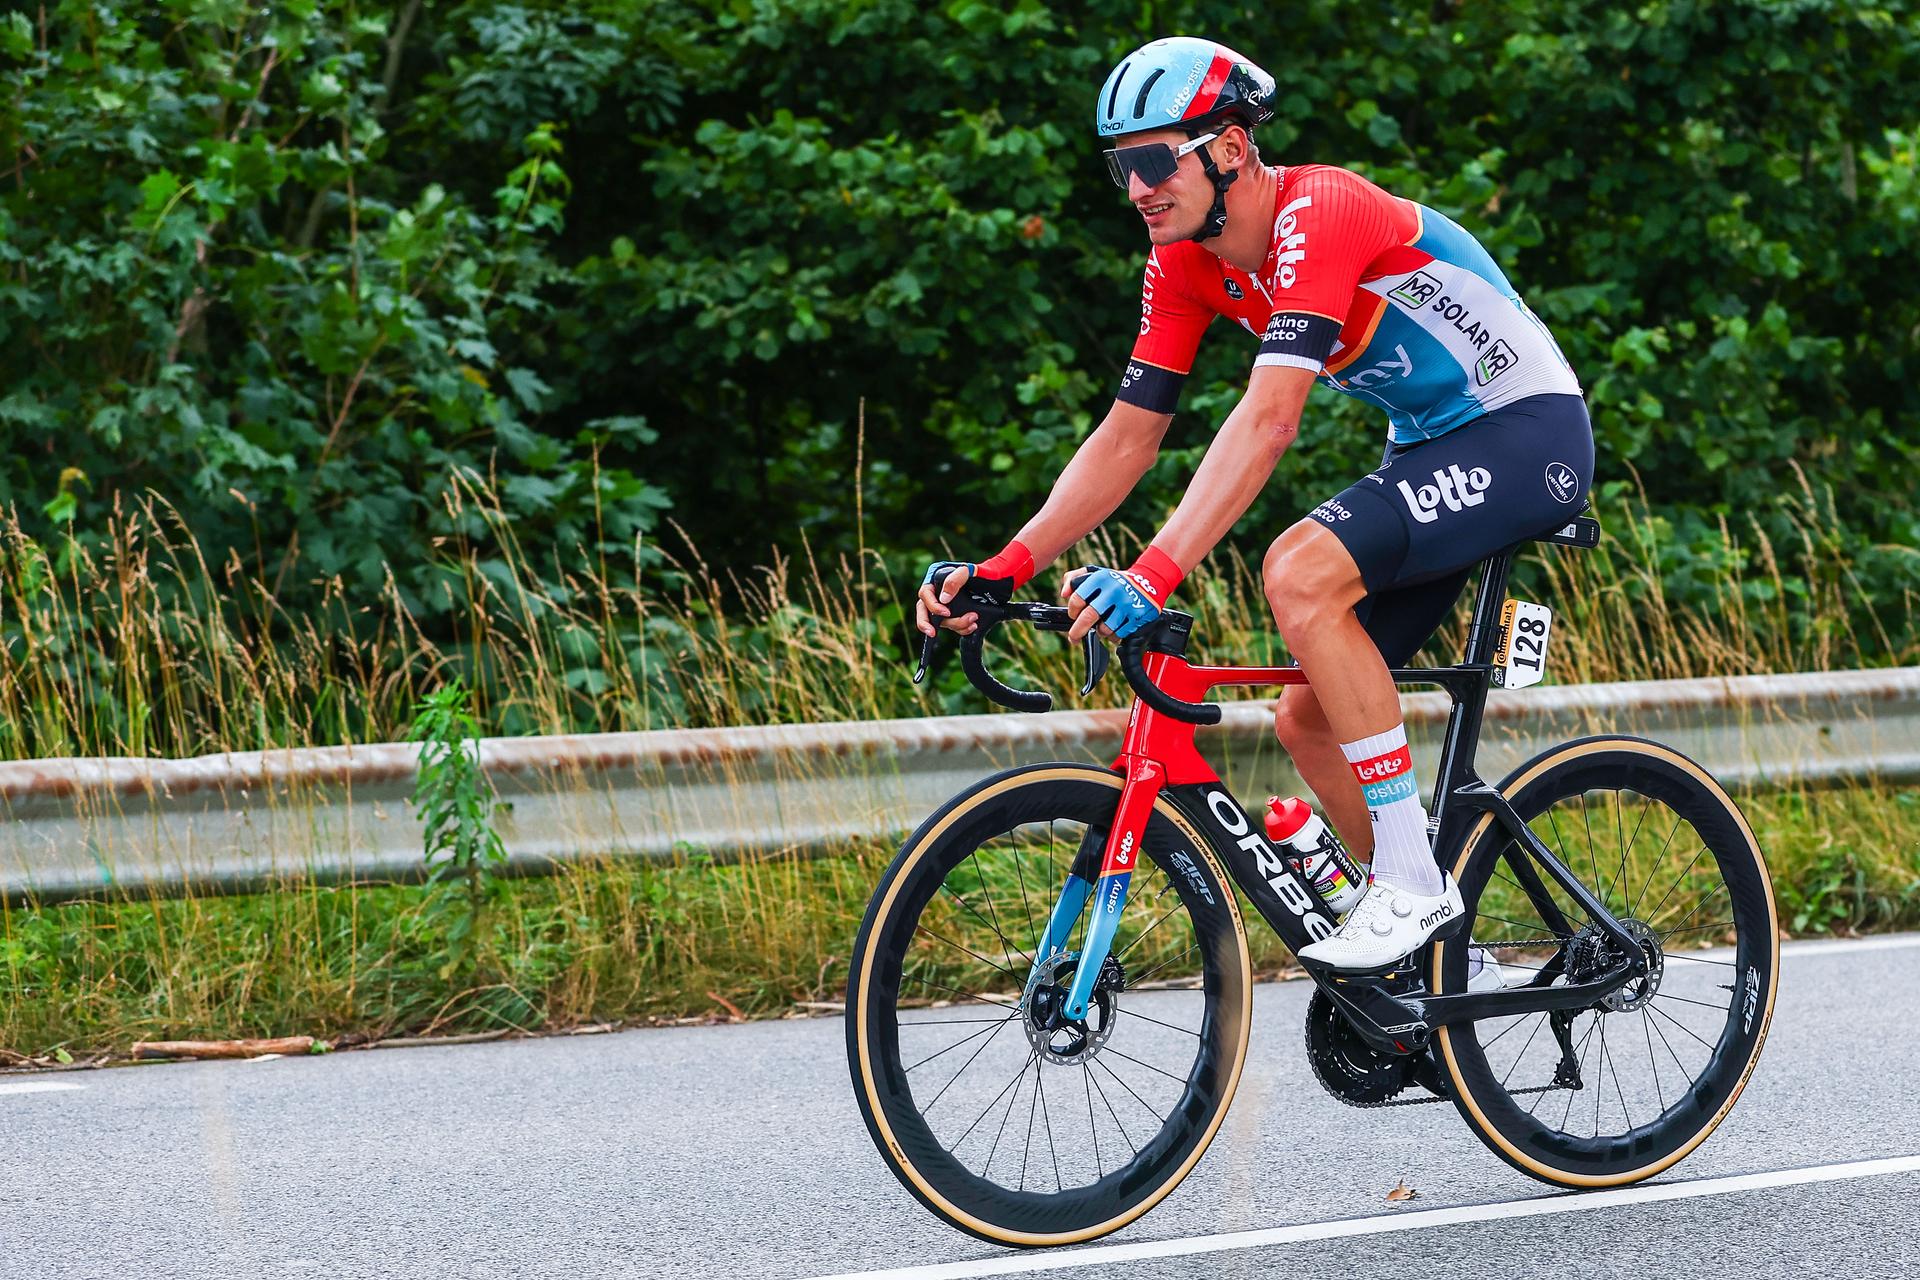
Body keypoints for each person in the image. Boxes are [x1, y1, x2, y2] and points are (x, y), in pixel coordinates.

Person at [914, 37, 1593, 974]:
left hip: (1527, 432)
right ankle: (1443, 961)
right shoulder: (1182, 263)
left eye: (1156, 161)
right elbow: (1128, 436)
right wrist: (1005, 565)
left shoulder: (1323, 208)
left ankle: (1409, 880)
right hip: (1432, 444)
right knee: (1306, 721)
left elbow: (1271, 418)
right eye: (1121, 167)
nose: (1137, 188)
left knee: (1299, 571)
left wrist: (1152, 576)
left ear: (1230, 149)